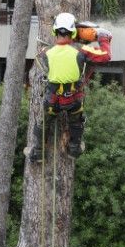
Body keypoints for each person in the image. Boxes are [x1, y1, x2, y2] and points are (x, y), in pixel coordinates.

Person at [25, 12, 112, 162]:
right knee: (77, 122)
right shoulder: (80, 50)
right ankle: (74, 150)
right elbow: (105, 55)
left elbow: (50, 65)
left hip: (52, 101)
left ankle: (38, 153)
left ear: (55, 31)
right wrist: (103, 38)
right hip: (73, 100)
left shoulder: (45, 53)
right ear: (73, 31)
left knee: (43, 123)